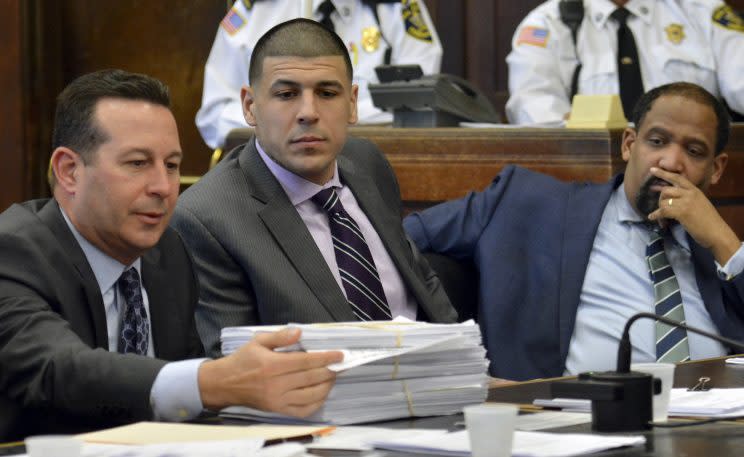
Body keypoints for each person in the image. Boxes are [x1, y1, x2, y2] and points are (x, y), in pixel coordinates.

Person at [0, 69, 343, 441]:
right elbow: (60, 370)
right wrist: (213, 380)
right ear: (69, 171)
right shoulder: (14, 253)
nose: (163, 187)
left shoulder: (169, 253)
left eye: (172, 165)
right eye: (137, 163)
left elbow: (183, 408)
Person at [404, 82, 744, 381]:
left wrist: (723, 240)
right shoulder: (523, 203)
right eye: (657, 141)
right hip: (575, 424)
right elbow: (393, 240)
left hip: (715, 426)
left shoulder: (719, 252)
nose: (671, 162)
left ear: (715, 169)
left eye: (694, 151)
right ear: (629, 145)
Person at [172, 19, 456, 357]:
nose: (308, 112)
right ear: (249, 106)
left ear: (352, 103)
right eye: (287, 94)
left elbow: (423, 288)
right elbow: (236, 370)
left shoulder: (367, 164)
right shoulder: (206, 219)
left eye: (327, 93)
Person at [196, 0, 442, 149]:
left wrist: (328, 121)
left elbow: (417, 102)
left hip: (374, 163)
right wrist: (280, 124)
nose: (309, 112)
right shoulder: (257, 9)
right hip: (269, 173)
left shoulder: (393, 7)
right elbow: (214, 117)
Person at [505, 0, 744, 125]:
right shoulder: (548, 23)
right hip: (590, 181)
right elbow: (533, 107)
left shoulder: (701, 12)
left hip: (693, 175)